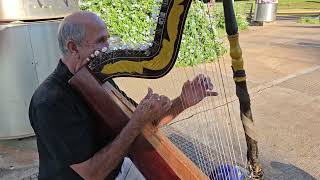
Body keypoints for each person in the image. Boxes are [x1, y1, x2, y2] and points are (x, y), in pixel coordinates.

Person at [29, 11, 218, 180]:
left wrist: (183, 101)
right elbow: (93, 174)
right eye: (101, 41)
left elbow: (143, 128)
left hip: (120, 168)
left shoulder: (97, 77)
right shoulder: (50, 102)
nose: (109, 47)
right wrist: (136, 122)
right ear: (73, 48)